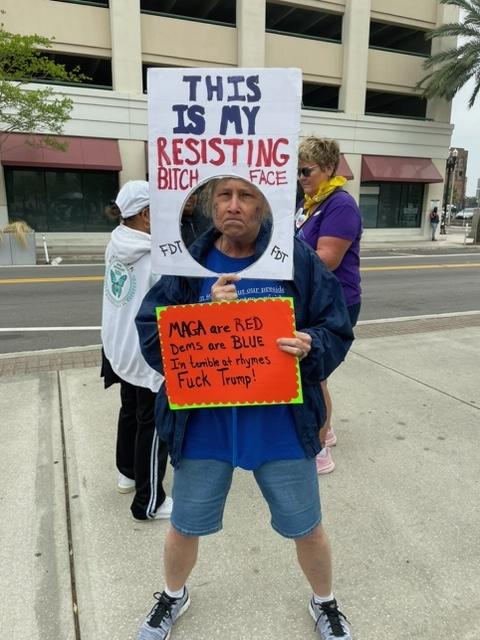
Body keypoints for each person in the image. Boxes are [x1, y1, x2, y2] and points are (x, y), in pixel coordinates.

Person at [135, 176, 354, 640]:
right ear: (211, 204)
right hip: (203, 423)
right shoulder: (187, 264)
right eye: (224, 195)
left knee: (308, 527)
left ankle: (325, 602)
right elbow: (151, 334)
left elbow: (336, 326)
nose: (234, 205)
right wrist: (202, 317)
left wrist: (311, 344)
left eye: (246, 195)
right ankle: (173, 595)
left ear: (263, 205)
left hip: (280, 422)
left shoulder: (297, 260)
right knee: (184, 526)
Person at [101, 180, 172, 521]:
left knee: (129, 410)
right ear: (146, 214)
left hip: (118, 344)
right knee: (153, 423)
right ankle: (149, 501)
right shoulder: (156, 256)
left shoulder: (116, 241)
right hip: (146, 352)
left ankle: (127, 473)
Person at [296, 137, 362, 475]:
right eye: (297, 171)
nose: (300, 177)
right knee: (313, 372)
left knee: (315, 375)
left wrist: (281, 263)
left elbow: (327, 259)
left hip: (337, 304)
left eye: (306, 170)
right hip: (313, 301)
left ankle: (320, 450)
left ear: (327, 168)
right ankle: (328, 430)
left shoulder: (340, 205)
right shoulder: (309, 204)